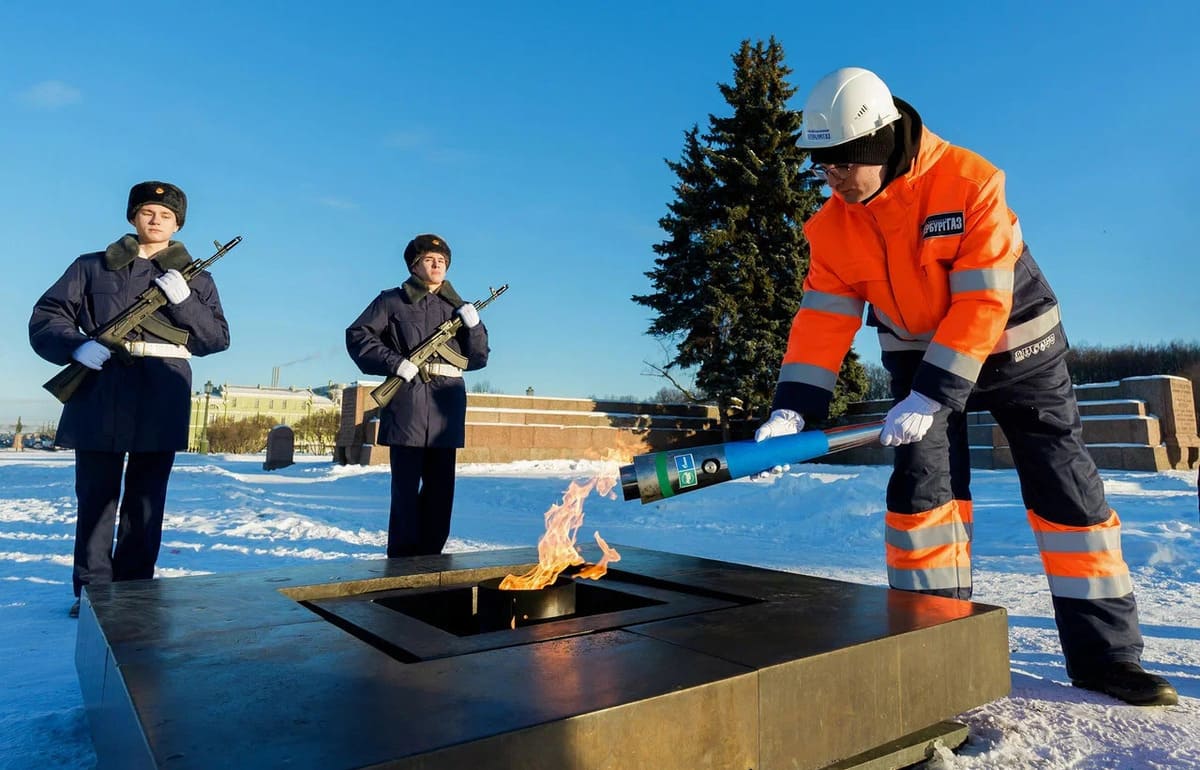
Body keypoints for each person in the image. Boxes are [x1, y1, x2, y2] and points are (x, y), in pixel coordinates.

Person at [755, 67, 1177, 706]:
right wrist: (792, 410)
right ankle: (930, 653)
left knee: (1067, 493)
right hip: (920, 362)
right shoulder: (833, 228)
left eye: (843, 163)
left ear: (879, 145)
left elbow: (983, 299)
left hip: (1019, 353)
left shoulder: (969, 183)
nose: (832, 178)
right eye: (823, 165)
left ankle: (1109, 659)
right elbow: (821, 321)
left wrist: (934, 394)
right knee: (921, 499)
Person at [29, 181, 230, 618]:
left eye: (166, 215)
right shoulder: (91, 266)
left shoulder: (197, 278)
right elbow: (47, 317)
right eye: (148, 211)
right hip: (100, 387)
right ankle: (93, 592)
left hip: (161, 392)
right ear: (133, 216)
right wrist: (75, 347)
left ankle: (135, 592)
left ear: (178, 224)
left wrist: (186, 302)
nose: (156, 220)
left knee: (146, 500)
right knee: (96, 498)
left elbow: (215, 339)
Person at [345, 233, 489, 557]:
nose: (437, 265)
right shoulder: (392, 301)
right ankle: (401, 563)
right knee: (405, 493)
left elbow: (478, 358)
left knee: (441, 492)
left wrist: (475, 327)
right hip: (408, 404)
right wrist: (394, 362)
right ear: (414, 265)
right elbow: (358, 336)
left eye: (442, 261)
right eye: (429, 259)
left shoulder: (458, 307)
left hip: (445, 408)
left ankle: (431, 560)